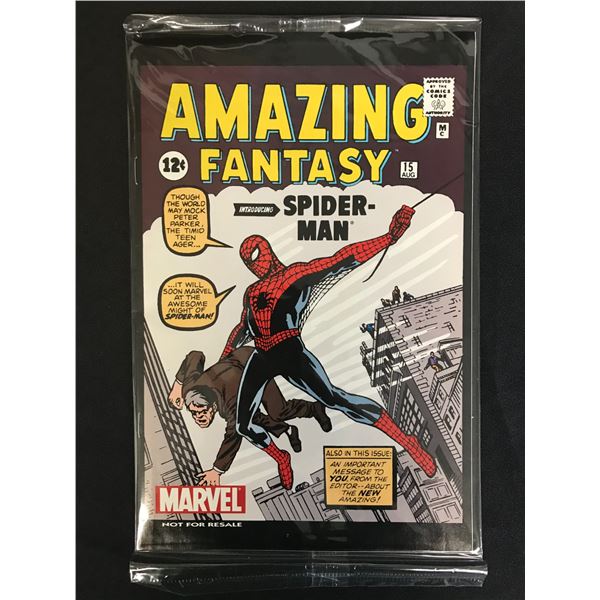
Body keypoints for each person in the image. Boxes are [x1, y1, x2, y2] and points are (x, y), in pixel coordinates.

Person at [221, 205, 437, 490]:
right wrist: (224, 358)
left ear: (268, 250)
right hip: (261, 355)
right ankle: (281, 457)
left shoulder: (296, 275)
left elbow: (341, 259)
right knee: (242, 423)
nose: (254, 264)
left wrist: (388, 237)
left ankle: (407, 442)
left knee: (335, 399)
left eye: (256, 254)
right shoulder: (251, 292)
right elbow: (243, 327)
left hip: (289, 350)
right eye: (248, 260)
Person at [168, 347, 332, 486]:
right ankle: (288, 431)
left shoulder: (230, 404)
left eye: (203, 411)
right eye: (194, 413)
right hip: (235, 372)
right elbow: (195, 355)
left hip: (253, 365)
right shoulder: (189, 388)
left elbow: (233, 436)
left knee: (278, 411)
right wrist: (178, 385)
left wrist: (217, 470)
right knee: (253, 418)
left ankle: (314, 409)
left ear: (214, 406)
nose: (199, 418)